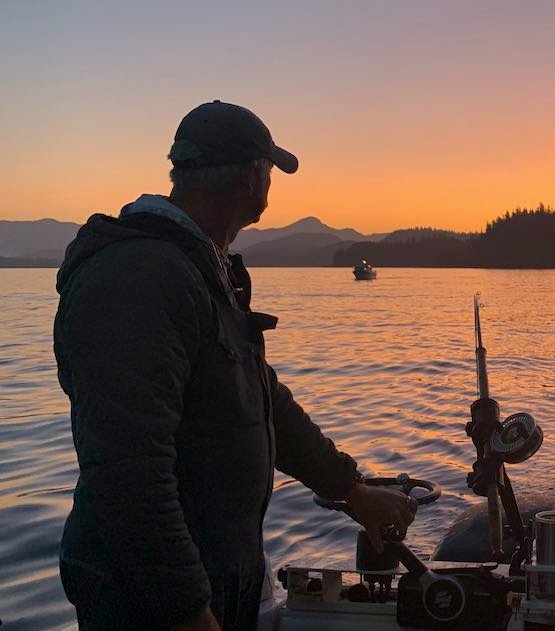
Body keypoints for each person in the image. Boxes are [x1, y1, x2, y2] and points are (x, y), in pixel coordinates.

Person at [53, 101, 417, 630]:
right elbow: (127, 470)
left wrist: (353, 492)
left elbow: (264, 403)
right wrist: (186, 609)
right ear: (252, 177)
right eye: (269, 172)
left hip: (219, 579)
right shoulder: (138, 277)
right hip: (152, 599)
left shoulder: (200, 272)